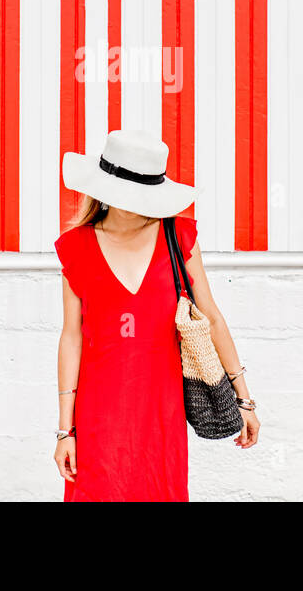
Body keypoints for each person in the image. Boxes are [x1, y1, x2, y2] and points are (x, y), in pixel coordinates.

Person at [53, 129, 259, 501]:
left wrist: (243, 398)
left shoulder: (177, 236)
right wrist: (65, 430)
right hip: (98, 415)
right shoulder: (76, 246)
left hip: (161, 416)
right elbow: (72, 336)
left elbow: (210, 317)